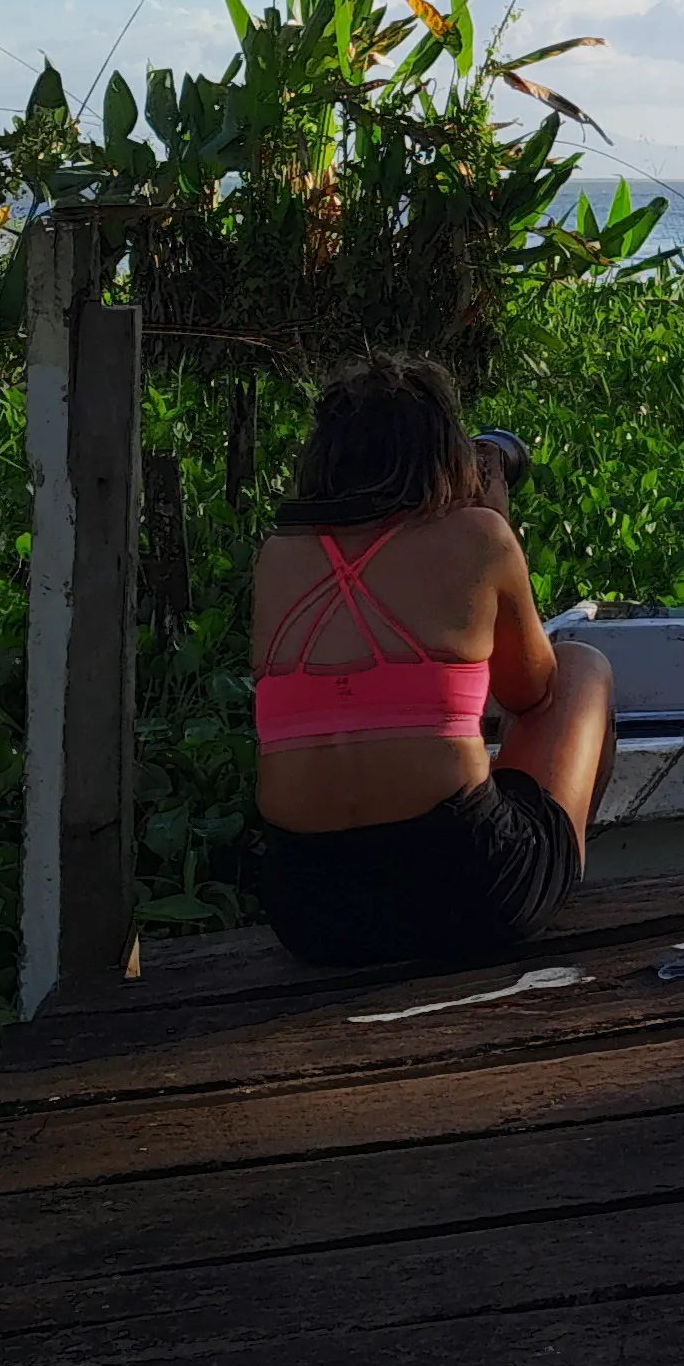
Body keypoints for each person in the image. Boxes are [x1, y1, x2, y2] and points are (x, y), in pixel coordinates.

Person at [242, 354, 613, 967]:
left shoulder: (277, 555)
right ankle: (557, 871)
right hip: (472, 891)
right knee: (579, 670)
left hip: (309, 912)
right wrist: (496, 520)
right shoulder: (477, 536)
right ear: (447, 455)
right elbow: (533, 693)